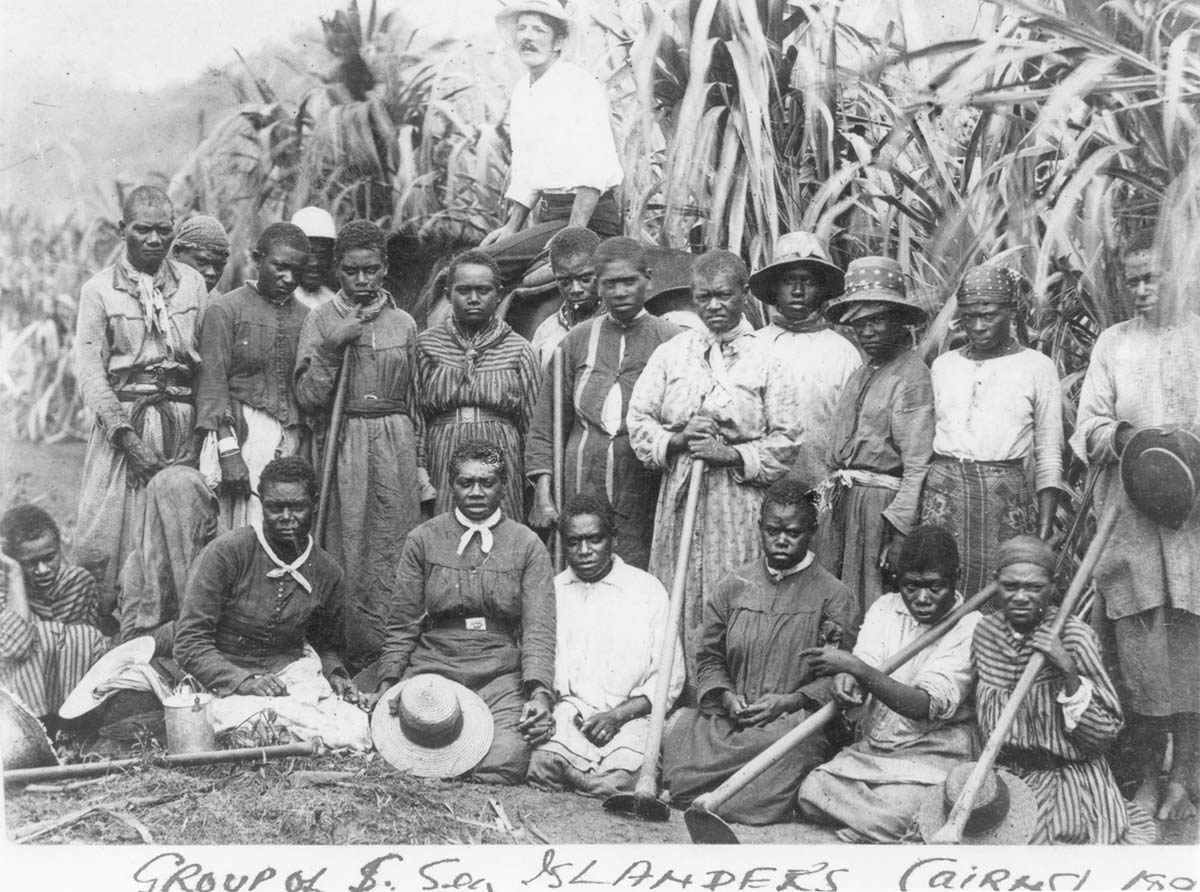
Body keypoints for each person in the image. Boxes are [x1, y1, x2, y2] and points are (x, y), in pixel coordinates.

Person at [1070, 226, 1200, 821]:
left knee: (1191, 644)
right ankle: (1149, 775)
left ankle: (1186, 773)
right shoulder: (1113, 343)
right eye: (1134, 281)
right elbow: (1088, 425)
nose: (1144, 289)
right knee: (1143, 651)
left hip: (1193, 524)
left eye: (1155, 277)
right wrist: (1126, 438)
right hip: (1131, 523)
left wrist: (1182, 453)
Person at [628, 249, 800, 684]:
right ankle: (676, 692)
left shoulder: (769, 358)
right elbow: (639, 420)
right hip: (682, 493)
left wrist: (733, 455)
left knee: (735, 589)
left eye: (724, 296)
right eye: (704, 297)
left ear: (744, 294)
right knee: (678, 590)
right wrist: (679, 439)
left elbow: (788, 437)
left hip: (738, 499)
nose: (714, 307)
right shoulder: (673, 354)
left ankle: (732, 689)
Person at [660, 477, 858, 824]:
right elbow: (709, 657)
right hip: (731, 718)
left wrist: (790, 701)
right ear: (759, 527)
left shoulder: (833, 595)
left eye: (793, 532)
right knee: (683, 737)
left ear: (811, 531)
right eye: (772, 530)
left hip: (792, 722)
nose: (781, 540)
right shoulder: (733, 586)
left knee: (780, 760)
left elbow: (838, 673)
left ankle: (721, 796)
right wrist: (725, 696)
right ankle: (708, 787)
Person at [360, 441, 556, 785]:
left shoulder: (526, 544)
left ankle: (441, 765)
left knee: (505, 759)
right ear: (451, 485)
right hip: (436, 665)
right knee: (393, 741)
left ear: (503, 486)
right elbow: (403, 622)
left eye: (487, 482)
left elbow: (539, 628)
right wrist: (389, 684)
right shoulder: (424, 538)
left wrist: (539, 694)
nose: (476, 492)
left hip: (500, 672)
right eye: (466, 483)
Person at [294, 220, 434, 672]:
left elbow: (417, 400)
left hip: (395, 438)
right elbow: (309, 397)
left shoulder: (404, 322)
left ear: (384, 269)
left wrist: (420, 465)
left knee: (394, 540)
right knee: (346, 541)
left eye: (371, 270)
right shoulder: (319, 319)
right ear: (337, 269)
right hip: (345, 439)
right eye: (352, 271)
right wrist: (335, 345)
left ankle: (394, 651)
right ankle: (345, 650)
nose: (362, 281)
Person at [797, 525, 981, 842]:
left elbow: (923, 706)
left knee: (908, 805)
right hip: (876, 747)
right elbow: (863, 664)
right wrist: (847, 680)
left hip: (935, 750)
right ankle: (887, 825)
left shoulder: (971, 625)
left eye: (934, 587)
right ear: (899, 580)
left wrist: (856, 668)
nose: (922, 598)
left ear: (957, 577)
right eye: (911, 586)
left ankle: (882, 821)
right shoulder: (885, 608)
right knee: (812, 792)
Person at [73, 185, 208, 612]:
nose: (154, 240)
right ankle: (112, 629)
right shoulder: (98, 291)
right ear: (122, 230)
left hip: (182, 425)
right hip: (126, 427)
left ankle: (173, 630)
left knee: (179, 532)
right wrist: (128, 440)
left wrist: (199, 434)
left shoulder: (192, 284)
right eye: (142, 230)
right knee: (112, 536)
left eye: (163, 231)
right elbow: (91, 374)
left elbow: (206, 364)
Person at [972, 534, 1156, 844]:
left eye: (1034, 588)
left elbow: (1103, 736)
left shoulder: (1074, 638)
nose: (1021, 597)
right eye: (1011, 586)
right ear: (995, 583)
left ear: (1053, 586)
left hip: (1066, 777)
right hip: (1004, 776)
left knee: (1038, 844)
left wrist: (1068, 671)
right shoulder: (986, 633)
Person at [173, 456, 367, 748]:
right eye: (275, 508)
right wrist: (243, 680)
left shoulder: (327, 572)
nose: (286, 517)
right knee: (235, 719)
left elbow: (326, 645)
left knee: (354, 728)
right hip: (223, 676)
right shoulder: (226, 554)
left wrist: (336, 673)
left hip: (290, 677)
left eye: (297, 507)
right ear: (261, 504)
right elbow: (189, 641)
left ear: (314, 504)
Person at [526, 237, 679, 568]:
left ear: (648, 280)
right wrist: (542, 494)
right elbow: (545, 425)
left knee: (639, 569)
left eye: (629, 282)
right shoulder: (575, 341)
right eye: (610, 284)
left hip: (643, 484)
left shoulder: (674, 341)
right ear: (598, 284)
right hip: (581, 480)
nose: (620, 292)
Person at [920, 265, 1063, 600]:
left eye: (989, 315)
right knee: (939, 588)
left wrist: (1043, 528)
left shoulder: (1037, 366)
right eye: (969, 317)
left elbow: (1049, 450)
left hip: (1006, 500)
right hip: (945, 496)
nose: (979, 326)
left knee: (1006, 596)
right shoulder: (944, 366)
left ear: (1011, 312)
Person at [527, 490, 684, 797]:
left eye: (594, 540)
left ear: (614, 539)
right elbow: (544, 661)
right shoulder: (554, 590)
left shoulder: (647, 590)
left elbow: (670, 675)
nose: (584, 551)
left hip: (630, 715)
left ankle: (593, 782)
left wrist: (617, 717)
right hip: (573, 712)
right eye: (573, 542)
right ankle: (595, 785)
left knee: (627, 776)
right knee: (542, 764)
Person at [816, 257, 935, 613]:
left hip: (878, 509)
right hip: (844, 502)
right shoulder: (861, 373)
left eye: (878, 320)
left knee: (871, 598)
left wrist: (899, 534)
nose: (867, 332)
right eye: (859, 324)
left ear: (900, 321)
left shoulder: (911, 377)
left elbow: (917, 465)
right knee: (834, 596)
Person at [478, 0, 623, 286]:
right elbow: (527, 169)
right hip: (551, 218)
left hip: (587, 220)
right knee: (483, 260)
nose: (526, 37)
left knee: (482, 269)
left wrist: (573, 237)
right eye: (521, 28)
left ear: (558, 41)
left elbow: (593, 168)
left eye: (538, 30)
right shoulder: (524, 90)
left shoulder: (578, 85)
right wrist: (511, 226)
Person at [195, 222, 311, 531]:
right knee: (239, 528)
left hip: (290, 439)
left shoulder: (308, 318)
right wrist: (229, 453)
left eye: (297, 271)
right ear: (258, 260)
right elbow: (213, 385)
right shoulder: (226, 310)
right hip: (241, 436)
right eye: (280, 267)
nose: (289, 279)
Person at [414, 250, 540, 519]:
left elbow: (532, 425)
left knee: (501, 535)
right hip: (443, 454)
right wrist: (420, 467)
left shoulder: (518, 348)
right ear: (448, 295)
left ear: (498, 294)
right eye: (463, 290)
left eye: (483, 290)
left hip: (501, 454)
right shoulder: (426, 345)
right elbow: (416, 418)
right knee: (447, 537)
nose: (473, 299)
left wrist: (534, 482)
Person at [748, 232, 860, 484]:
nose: (798, 291)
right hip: (759, 484)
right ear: (775, 288)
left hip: (820, 483)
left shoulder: (843, 353)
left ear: (822, 291)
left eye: (808, 282)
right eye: (789, 281)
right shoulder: (752, 346)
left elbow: (852, 430)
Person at [0, 506, 109, 721]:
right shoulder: (5, 590)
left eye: (49, 558)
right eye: (30, 564)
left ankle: (74, 727)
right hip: (19, 703)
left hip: (70, 698)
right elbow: (15, 647)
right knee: (40, 637)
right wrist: (14, 576)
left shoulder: (78, 583)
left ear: (60, 549)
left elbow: (86, 647)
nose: (42, 570)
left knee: (83, 636)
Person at [528, 227, 603, 367]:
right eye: (564, 282)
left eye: (585, 279)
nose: (575, 289)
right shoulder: (546, 331)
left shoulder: (620, 323)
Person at [290, 207, 338, 310]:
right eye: (308, 254)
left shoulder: (333, 302)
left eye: (322, 254)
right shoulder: (277, 300)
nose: (314, 263)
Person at [170, 215, 230, 296]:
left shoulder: (218, 304)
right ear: (177, 251)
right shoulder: (152, 294)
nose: (211, 273)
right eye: (202, 262)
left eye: (218, 267)